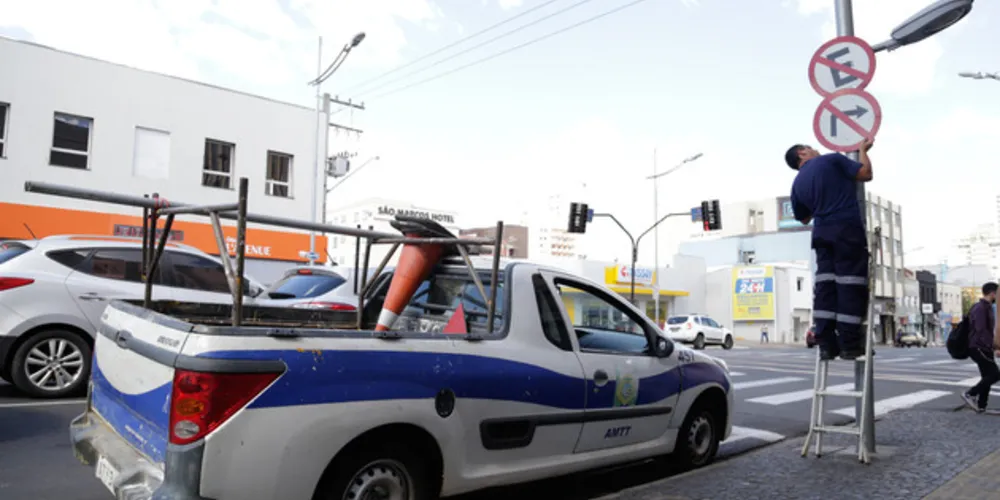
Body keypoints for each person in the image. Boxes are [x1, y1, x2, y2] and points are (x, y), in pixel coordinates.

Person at [785, 139, 874, 360]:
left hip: (821, 234)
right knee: (850, 284)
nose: (814, 148)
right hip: (846, 229)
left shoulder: (797, 184)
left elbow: (804, 217)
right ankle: (849, 344)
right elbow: (865, 174)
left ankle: (826, 343)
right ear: (802, 153)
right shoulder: (832, 159)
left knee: (826, 287)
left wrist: (821, 201)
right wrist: (862, 151)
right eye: (809, 147)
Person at [961, 282, 1000, 413]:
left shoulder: (987, 307)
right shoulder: (981, 308)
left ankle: (981, 405)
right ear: (992, 293)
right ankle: (970, 394)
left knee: (987, 376)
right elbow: (981, 330)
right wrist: (992, 346)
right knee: (995, 374)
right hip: (979, 347)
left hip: (983, 347)